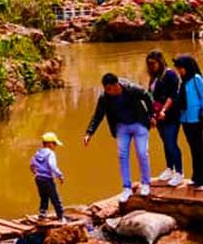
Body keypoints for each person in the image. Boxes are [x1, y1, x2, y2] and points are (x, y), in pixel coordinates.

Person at [83, 72, 154, 203]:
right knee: (122, 155)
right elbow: (98, 115)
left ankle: (146, 183)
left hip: (139, 123)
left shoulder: (131, 89)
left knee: (142, 153)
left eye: (109, 89)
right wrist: (89, 133)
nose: (107, 91)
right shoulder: (104, 98)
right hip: (122, 127)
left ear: (116, 85)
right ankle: (126, 187)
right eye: (105, 89)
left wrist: (151, 116)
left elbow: (146, 96)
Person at [174, 55, 203, 190]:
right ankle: (197, 177)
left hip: (196, 119)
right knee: (193, 149)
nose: (179, 71)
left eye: (180, 68)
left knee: (199, 149)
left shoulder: (196, 79)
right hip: (185, 119)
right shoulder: (184, 81)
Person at [146, 50, 184, 187]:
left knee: (171, 142)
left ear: (160, 62)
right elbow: (150, 96)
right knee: (165, 143)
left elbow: (172, 96)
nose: (151, 66)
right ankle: (170, 168)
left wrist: (163, 110)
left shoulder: (170, 75)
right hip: (158, 116)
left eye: (153, 63)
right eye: (149, 64)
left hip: (171, 115)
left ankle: (179, 172)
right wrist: (151, 114)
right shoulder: (154, 77)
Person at [30, 132, 66, 221]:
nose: (55, 146)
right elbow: (52, 166)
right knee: (55, 198)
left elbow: (32, 164)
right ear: (50, 144)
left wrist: (34, 171)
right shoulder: (50, 154)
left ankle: (42, 214)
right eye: (54, 144)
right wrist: (60, 175)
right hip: (47, 180)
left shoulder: (38, 152)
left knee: (44, 197)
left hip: (38, 179)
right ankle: (61, 217)